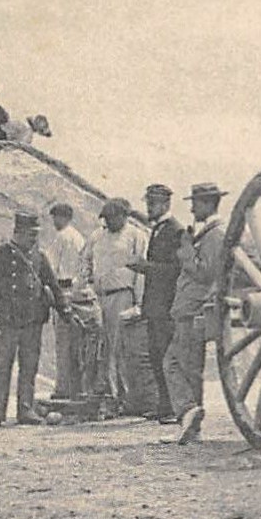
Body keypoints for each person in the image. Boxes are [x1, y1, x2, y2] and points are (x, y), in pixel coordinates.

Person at [0, 210, 69, 428]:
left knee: (29, 367)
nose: (34, 239)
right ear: (18, 232)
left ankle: (26, 410)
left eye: (36, 235)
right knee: (2, 368)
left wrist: (64, 310)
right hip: (8, 321)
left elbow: (53, 285)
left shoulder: (39, 257)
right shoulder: (0, 254)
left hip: (32, 321)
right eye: (31, 235)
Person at [164, 183, 227, 444]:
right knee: (188, 366)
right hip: (189, 308)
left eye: (196, 203)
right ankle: (191, 423)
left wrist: (187, 252)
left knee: (174, 363)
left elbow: (206, 273)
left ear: (208, 204)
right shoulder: (208, 233)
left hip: (193, 309)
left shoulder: (215, 235)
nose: (191, 208)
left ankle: (188, 411)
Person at [83, 197, 148, 402]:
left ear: (124, 217)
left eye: (112, 218)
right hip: (99, 296)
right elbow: (86, 262)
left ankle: (127, 397)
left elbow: (142, 271)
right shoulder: (96, 237)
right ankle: (107, 394)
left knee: (122, 347)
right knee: (102, 348)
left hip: (123, 296)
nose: (108, 223)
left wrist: (138, 303)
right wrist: (87, 287)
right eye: (106, 219)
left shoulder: (136, 236)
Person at [129, 183, 183, 422]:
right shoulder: (159, 229)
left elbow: (176, 269)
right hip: (155, 304)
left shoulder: (175, 230)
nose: (149, 208)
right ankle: (164, 405)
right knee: (154, 354)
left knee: (165, 355)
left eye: (153, 204)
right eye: (148, 203)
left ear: (166, 204)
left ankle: (171, 407)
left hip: (167, 304)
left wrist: (146, 267)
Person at [46, 202, 88, 398]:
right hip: (78, 291)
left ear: (64, 217)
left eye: (56, 217)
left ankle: (62, 388)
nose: (55, 221)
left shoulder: (62, 237)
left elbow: (50, 269)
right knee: (76, 343)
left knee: (63, 343)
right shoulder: (79, 237)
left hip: (63, 290)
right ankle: (76, 388)